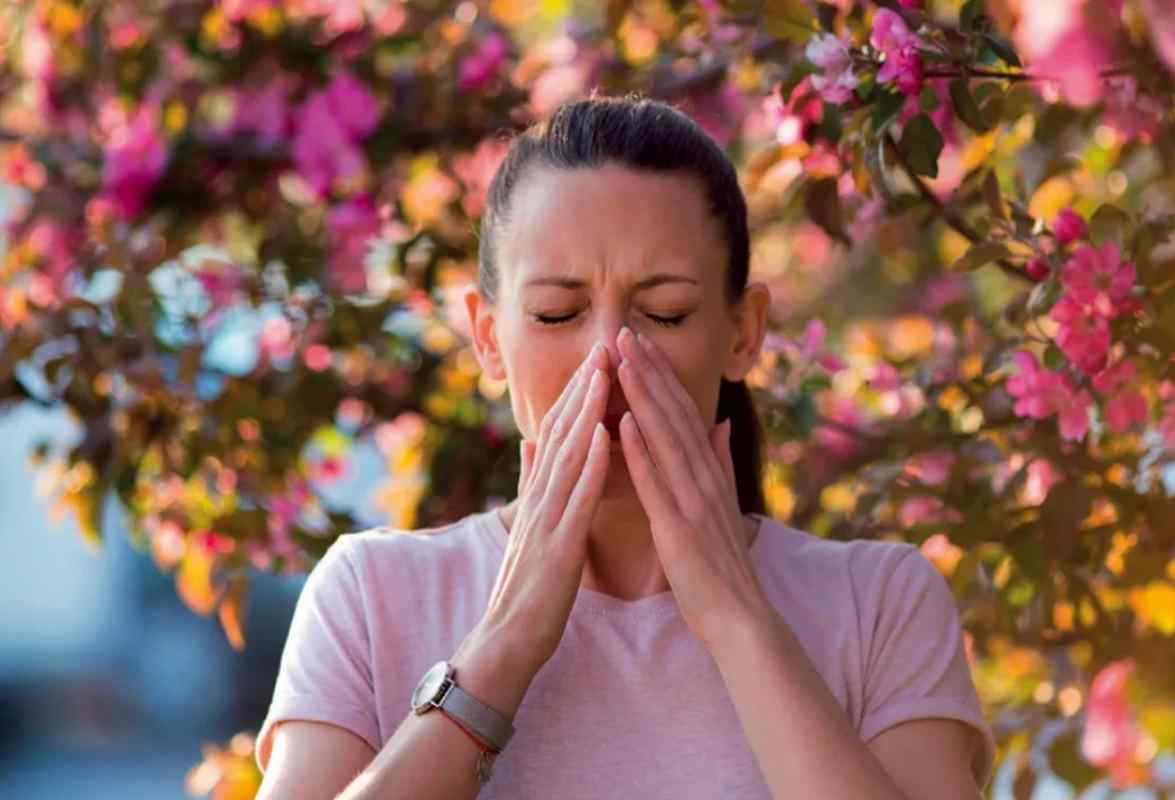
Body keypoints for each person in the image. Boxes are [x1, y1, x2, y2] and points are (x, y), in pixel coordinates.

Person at [254, 93, 996, 800]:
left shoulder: (879, 604)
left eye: (666, 313)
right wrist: (502, 647)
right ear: (487, 336)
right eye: (556, 313)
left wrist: (737, 621)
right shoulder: (371, 594)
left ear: (743, 331)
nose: (608, 354)